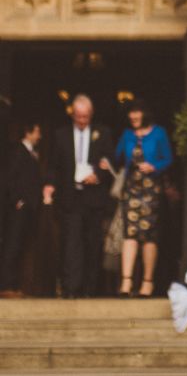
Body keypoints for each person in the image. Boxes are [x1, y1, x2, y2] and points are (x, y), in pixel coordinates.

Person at [44, 94, 114, 298]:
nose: (82, 121)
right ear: (72, 115)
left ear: (91, 115)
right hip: (70, 197)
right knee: (71, 243)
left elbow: (111, 162)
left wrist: (98, 175)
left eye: (86, 117)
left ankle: (89, 290)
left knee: (92, 244)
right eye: (78, 117)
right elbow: (53, 166)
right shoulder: (60, 135)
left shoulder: (104, 133)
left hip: (94, 197)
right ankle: (70, 289)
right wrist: (49, 185)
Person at [115, 99, 172, 297]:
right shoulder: (127, 135)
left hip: (151, 189)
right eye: (131, 114)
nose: (133, 117)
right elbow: (117, 157)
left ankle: (147, 283)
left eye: (137, 113)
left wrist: (154, 166)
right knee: (130, 234)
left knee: (149, 236)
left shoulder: (159, 133)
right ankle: (126, 282)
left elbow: (168, 158)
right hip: (132, 189)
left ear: (145, 114)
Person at [0, 122, 43, 297]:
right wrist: (17, 200)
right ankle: (6, 285)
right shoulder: (18, 151)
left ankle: (15, 285)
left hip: (28, 208)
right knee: (12, 244)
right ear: (28, 132)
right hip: (18, 208)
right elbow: (10, 177)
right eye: (38, 132)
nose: (40, 136)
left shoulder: (32, 153)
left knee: (20, 246)